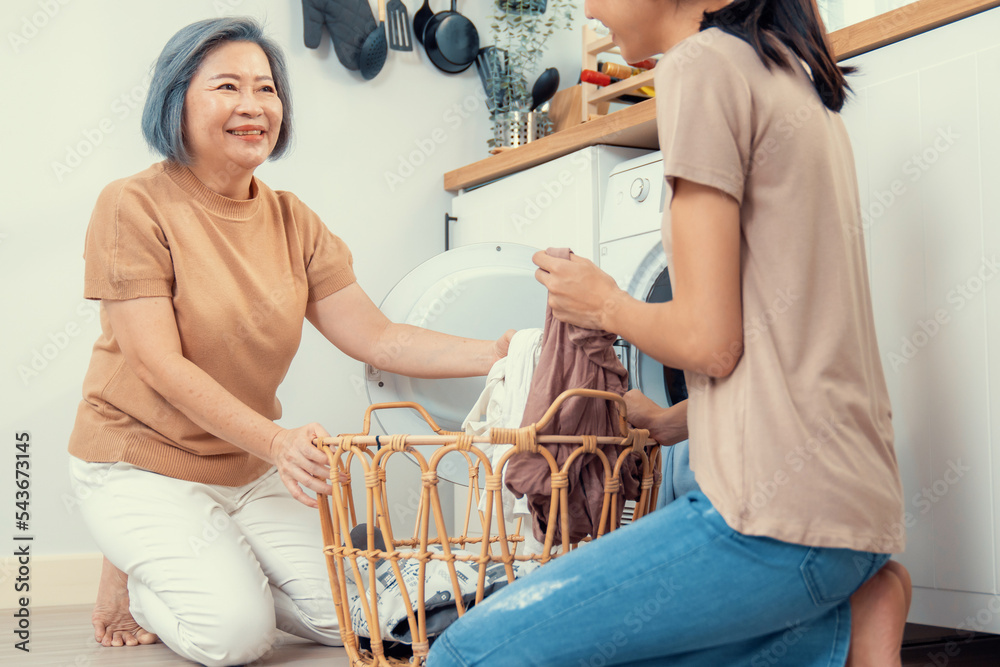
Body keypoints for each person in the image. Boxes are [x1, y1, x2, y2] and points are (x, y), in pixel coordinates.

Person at [426, 0, 912, 666]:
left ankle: (834, 632)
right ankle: (843, 627)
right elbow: (791, 338)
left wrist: (604, 303)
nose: (590, 7)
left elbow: (711, 342)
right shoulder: (787, 72)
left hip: (772, 523)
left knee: (466, 655)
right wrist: (675, 420)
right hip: (852, 509)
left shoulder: (702, 66)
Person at [66, 17, 512, 667]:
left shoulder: (292, 219)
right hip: (140, 463)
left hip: (246, 466)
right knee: (236, 636)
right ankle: (141, 580)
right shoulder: (132, 205)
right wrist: (277, 441)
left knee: (348, 623)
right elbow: (157, 364)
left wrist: (496, 354)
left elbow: (378, 336)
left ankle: (211, 557)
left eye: (267, 88)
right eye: (227, 86)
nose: (253, 106)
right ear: (176, 101)